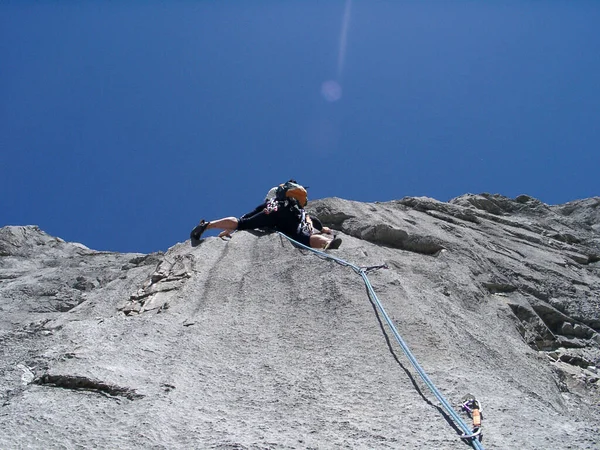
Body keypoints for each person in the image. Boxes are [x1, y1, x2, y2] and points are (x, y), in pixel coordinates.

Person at [190, 196, 341, 250]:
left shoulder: (271, 202)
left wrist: (232, 229)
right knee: (305, 238)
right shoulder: (301, 211)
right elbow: (318, 226)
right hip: (290, 219)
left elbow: (250, 215)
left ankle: (207, 225)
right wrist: (326, 232)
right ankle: (327, 243)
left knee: (242, 223)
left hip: (271, 212)